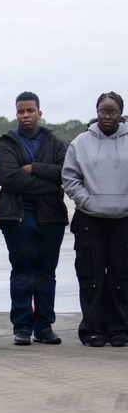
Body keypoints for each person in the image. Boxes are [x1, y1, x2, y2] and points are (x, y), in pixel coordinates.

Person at [0, 92, 68, 346]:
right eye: (20, 111)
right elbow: (9, 178)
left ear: (39, 112)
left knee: (46, 273)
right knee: (23, 272)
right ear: (16, 114)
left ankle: (44, 326)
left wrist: (34, 168)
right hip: (17, 217)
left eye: (29, 111)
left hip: (52, 218)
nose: (25, 115)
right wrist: (49, 186)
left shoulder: (56, 143)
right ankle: (23, 327)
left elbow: (63, 173)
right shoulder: (6, 143)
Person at [62, 91, 128, 347]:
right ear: (97, 111)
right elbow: (70, 177)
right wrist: (87, 201)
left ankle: (120, 328)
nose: (107, 116)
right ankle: (93, 329)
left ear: (120, 112)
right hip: (90, 218)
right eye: (103, 111)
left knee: (121, 277)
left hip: (123, 220)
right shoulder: (81, 142)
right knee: (91, 276)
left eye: (112, 111)